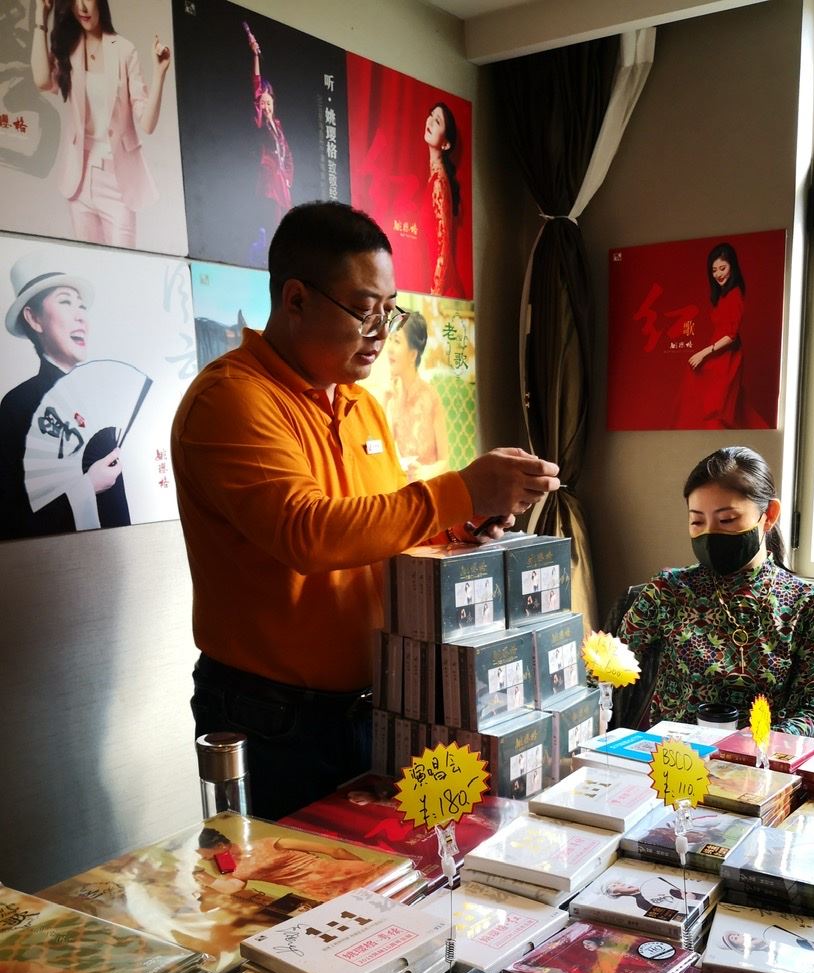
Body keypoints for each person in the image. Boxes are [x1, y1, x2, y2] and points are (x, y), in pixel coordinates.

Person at [171, 201, 559, 821]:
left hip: (375, 701)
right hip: (273, 717)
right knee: (291, 877)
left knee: (387, 870)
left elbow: (376, 525)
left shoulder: (360, 405)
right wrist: (461, 490)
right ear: (296, 300)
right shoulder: (232, 400)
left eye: (390, 309)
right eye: (364, 309)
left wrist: (461, 524)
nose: (382, 330)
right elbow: (308, 533)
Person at [618, 446, 814, 735]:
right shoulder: (669, 590)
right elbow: (607, 666)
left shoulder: (808, 602)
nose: (710, 534)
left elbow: (810, 711)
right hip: (676, 755)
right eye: (697, 521)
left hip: (761, 756)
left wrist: (754, 747)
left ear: (769, 514)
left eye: (728, 520)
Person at [0, 251, 127, 540]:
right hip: (57, 560)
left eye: (81, 305)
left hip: (116, 551)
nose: (80, 315)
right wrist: (86, 488)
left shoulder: (101, 396)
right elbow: (10, 517)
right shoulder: (18, 405)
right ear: (33, 318)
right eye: (66, 302)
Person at [31, 0, 170, 248]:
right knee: (88, 262)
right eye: (75, 1)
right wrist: (41, 18)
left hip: (118, 182)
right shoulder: (69, 49)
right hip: (80, 180)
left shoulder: (124, 50)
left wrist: (159, 75)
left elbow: (147, 124)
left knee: (122, 262)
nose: (82, 8)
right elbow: (42, 80)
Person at [675, 242, 767, 430]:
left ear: (732, 267)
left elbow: (730, 336)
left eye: (723, 268)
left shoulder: (735, 295)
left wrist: (703, 353)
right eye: (714, 270)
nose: (718, 274)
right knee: (730, 409)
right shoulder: (724, 296)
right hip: (717, 356)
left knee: (716, 409)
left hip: (727, 358)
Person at [382, 311, 449, 480]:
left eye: (397, 341)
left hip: (430, 486)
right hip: (403, 486)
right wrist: (384, 401)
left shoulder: (431, 397)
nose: (389, 348)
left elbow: (445, 461)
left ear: (413, 354)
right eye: (390, 339)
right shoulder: (392, 395)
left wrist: (426, 472)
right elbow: (384, 450)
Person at [244, 22, 294, 234]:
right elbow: (256, 87)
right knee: (272, 227)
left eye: (269, 102)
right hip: (269, 185)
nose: (266, 106)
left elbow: (288, 154)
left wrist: (288, 178)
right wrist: (255, 56)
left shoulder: (278, 126)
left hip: (282, 185)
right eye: (263, 103)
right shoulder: (261, 123)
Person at [424, 102, 464, 297]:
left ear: (446, 144)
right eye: (431, 115)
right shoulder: (434, 176)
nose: (430, 121)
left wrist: (435, 298)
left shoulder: (439, 181)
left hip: (442, 291)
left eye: (437, 121)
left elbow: (444, 248)